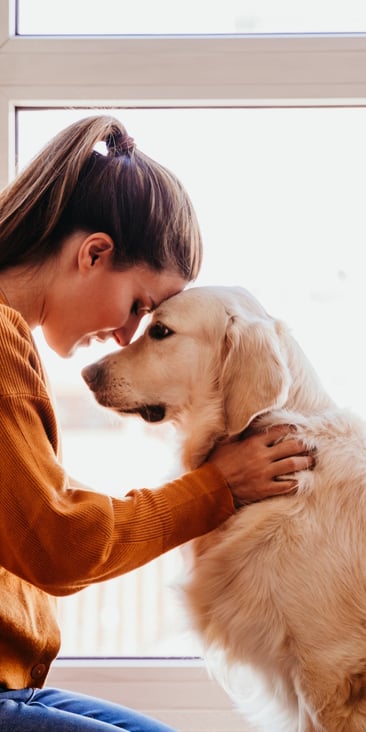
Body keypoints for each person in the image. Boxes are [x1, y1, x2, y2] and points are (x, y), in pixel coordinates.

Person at [0, 115, 313, 731]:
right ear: (94, 253)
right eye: (140, 305)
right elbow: (62, 545)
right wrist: (217, 487)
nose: (123, 336)